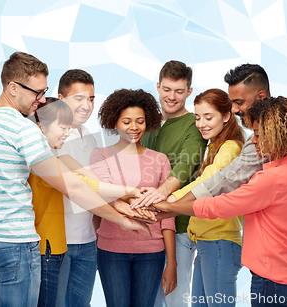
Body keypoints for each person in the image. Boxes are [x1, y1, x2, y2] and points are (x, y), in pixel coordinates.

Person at [0, 52, 149, 307]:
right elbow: (71, 184)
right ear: (13, 88)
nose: (41, 100)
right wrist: (120, 219)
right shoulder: (23, 128)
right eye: (37, 93)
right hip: (18, 243)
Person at [175, 64, 287, 307]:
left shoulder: (273, 136)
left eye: (238, 102)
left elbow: (226, 182)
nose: (235, 109)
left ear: (260, 97)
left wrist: (171, 205)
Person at [155, 96, 287, 307]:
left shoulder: (271, 179)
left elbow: (221, 204)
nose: (254, 141)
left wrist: (170, 207)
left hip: (272, 280)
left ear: (277, 135)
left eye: (258, 135)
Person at [28, 98, 154, 307]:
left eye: (69, 127)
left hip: (57, 247)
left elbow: (93, 181)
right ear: (40, 126)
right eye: (62, 127)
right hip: (45, 248)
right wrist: (129, 194)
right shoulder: (41, 163)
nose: (67, 133)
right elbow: (82, 187)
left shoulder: (60, 156)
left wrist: (124, 201)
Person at [90, 89, 177, 307]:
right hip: (111, 251)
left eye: (140, 121)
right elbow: (104, 190)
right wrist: (135, 199)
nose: (134, 127)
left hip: (151, 252)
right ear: (115, 122)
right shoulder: (100, 154)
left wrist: (172, 262)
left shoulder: (159, 160)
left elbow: (167, 216)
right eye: (126, 121)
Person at [139, 60, 208, 307]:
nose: (172, 96)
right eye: (167, 89)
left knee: (174, 299)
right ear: (158, 87)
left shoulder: (194, 125)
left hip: (178, 227)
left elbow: (184, 168)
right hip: (143, 225)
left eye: (179, 91)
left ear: (189, 92)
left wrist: (159, 194)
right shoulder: (146, 122)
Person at [169, 89, 245, 306]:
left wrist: (171, 200)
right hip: (208, 243)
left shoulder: (230, 148)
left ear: (227, 116)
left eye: (208, 117)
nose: (201, 123)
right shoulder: (215, 146)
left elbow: (208, 183)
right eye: (197, 117)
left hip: (219, 242)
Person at [54, 69, 100, 307]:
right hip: (58, 243)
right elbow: (84, 185)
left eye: (91, 99)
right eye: (79, 98)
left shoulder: (91, 137)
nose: (86, 105)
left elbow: (99, 186)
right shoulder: (51, 136)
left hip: (88, 242)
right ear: (61, 99)